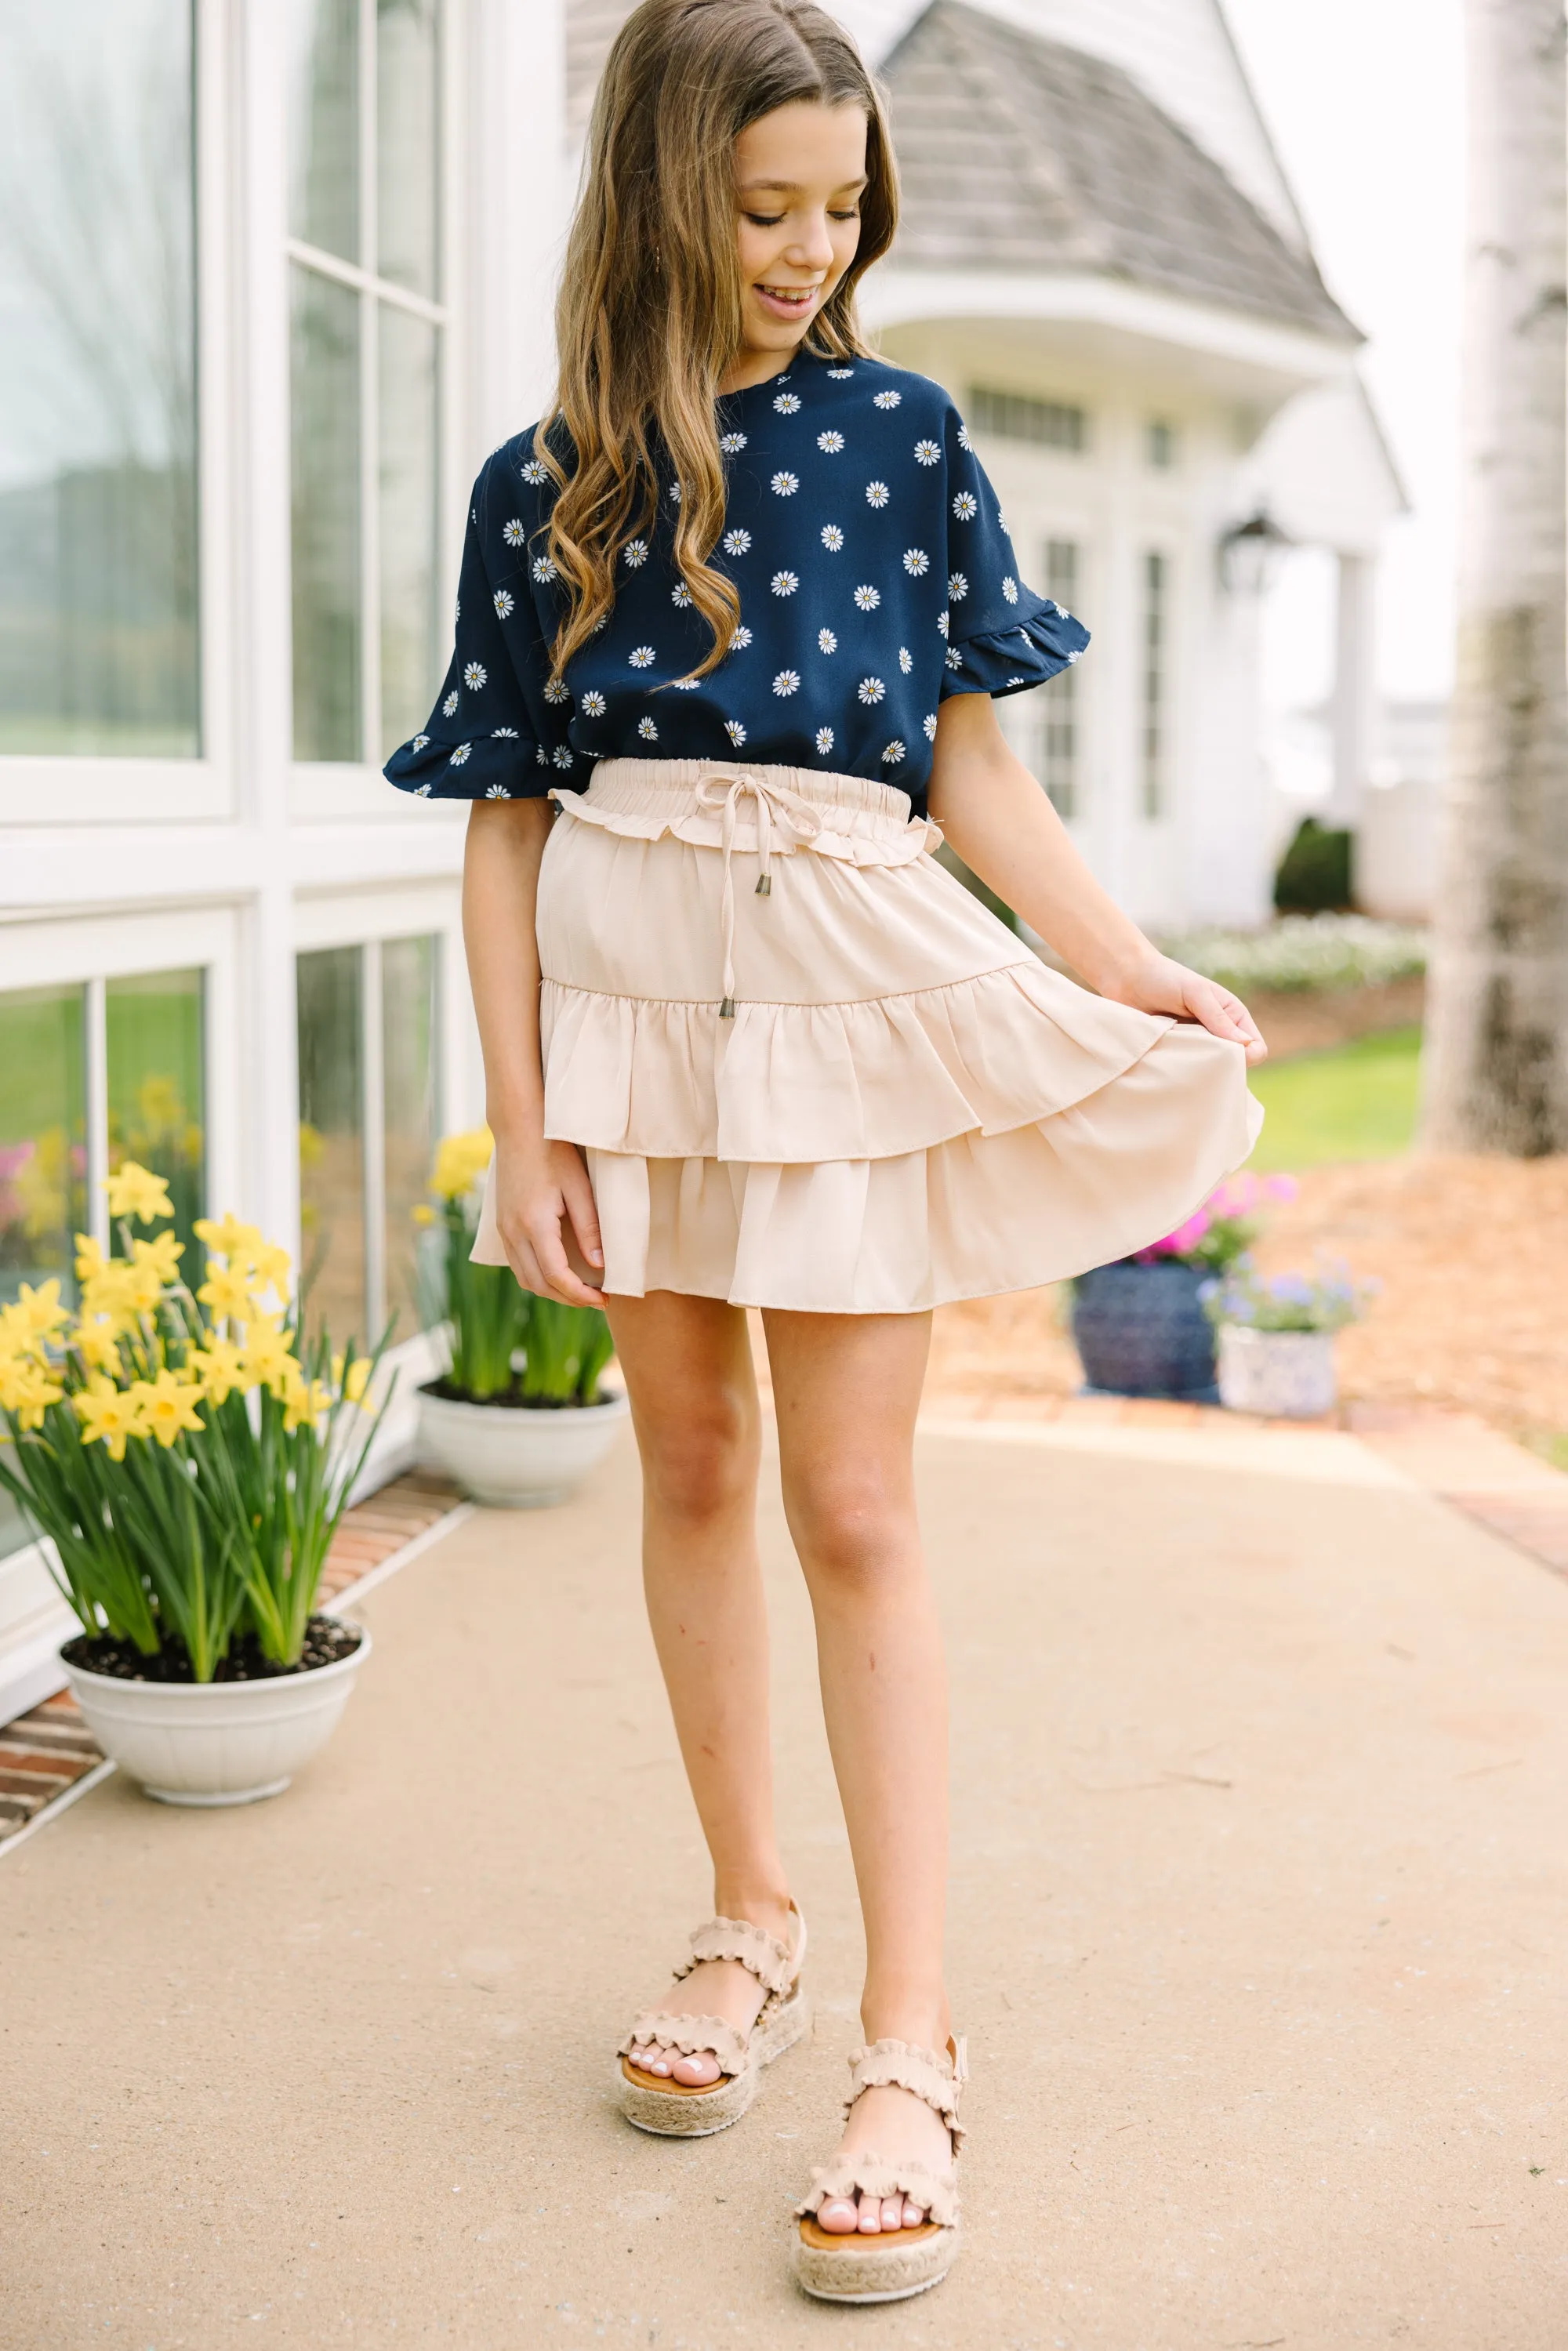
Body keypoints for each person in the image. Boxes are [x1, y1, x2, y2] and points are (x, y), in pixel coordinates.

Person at [386, 0, 1264, 2304]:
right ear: (666, 193)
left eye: (842, 206)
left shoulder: (903, 438)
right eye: (765, 206)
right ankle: (747, 1917)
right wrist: (521, 1116)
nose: (808, 248)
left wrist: (1132, 961)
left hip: (844, 974)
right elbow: (499, 826)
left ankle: (909, 2028)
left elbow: (976, 772)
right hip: (631, 999)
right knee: (683, 1471)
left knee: (852, 1500)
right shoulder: (545, 474)